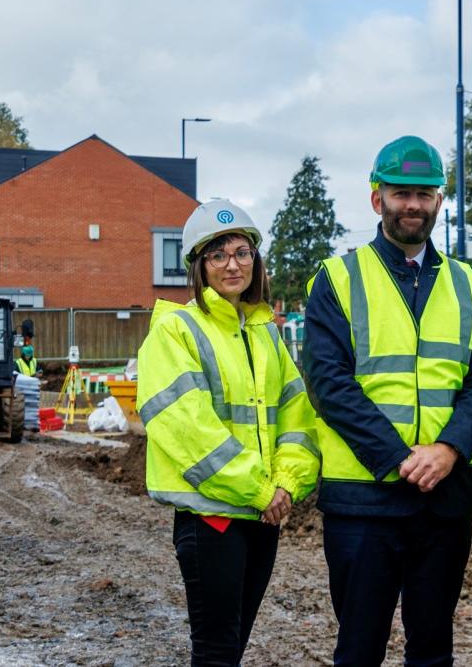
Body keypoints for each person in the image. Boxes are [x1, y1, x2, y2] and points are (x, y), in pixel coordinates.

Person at [303, 135, 472, 666]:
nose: (412, 204)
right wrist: (400, 459)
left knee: (433, 651)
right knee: (359, 649)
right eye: (400, 193)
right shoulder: (338, 279)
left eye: (424, 193)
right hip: (363, 501)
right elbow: (328, 383)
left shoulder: (467, 284)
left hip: (444, 499)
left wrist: (450, 450)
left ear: (440, 200)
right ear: (377, 199)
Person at [136, 198, 319, 666]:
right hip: (213, 518)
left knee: (233, 646)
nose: (231, 264)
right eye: (217, 255)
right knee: (217, 650)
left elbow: (296, 419)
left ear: (256, 261)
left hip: (262, 516)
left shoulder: (266, 334)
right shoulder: (176, 330)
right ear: (199, 267)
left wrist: (286, 485)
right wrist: (262, 490)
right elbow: (187, 428)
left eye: (241, 252)